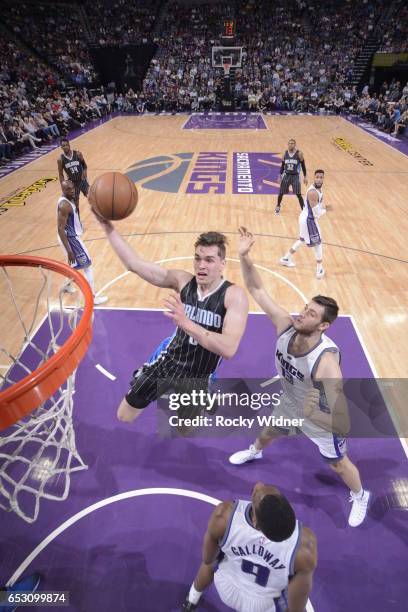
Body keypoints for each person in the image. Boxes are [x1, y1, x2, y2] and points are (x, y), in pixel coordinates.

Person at [228, 228, 370, 528]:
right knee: (270, 430)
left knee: (338, 465)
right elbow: (258, 290)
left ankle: (360, 495)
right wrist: (244, 256)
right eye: (306, 308)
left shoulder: (326, 362)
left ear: (325, 326)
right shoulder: (285, 325)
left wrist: (311, 412)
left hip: (321, 418)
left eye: (311, 314)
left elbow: (340, 411)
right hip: (293, 400)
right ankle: (254, 451)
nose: (302, 314)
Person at [93, 217, 249, 424]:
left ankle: (207, 391)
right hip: (169, 362)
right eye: (197, 258)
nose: (201, 265)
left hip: (200, 374)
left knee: (187, 425)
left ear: (222, 264)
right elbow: (134, 264)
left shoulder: (234, 296)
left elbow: (229, 349)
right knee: (124, 415)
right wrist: (108, 227)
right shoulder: (183, 281)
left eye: (209, 260)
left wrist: (187, 324)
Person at [181, 482, 317, 611]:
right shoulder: (305, 547)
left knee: (215, 557)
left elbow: (207, 559)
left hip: (227, 589)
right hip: (266, 606)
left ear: (255, 522)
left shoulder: (223, 516)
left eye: (258, 495)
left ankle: (191, 600)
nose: (259, 486)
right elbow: (296, 607)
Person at [57, 180, 107, 304]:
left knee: (74, 265)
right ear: (63, 190)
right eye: (68, 189)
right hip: (71, 239)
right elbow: (60, 229)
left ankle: (67, 286)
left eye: (72, 188)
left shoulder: (69, 199)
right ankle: (92, 298)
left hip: (71, 236)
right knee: (87, 266)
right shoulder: (65, 205)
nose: (72, 190)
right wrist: (69, 250)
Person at [279, 169, 328, 279]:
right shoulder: (313, 193)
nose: (319, 179)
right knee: (318, 243)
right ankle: (319, 269)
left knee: (302, 239)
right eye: (317, 177)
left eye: (321, 177)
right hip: (309, 220)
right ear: (314, 178)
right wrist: (326, 209)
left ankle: (286, 259)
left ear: (323, 178)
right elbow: (317, 213)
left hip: (305, 218)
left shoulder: (319, 190)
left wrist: (322, 209)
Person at [275, 139, 307, 214]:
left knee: (298, 194)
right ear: (288, 144)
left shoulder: (299, 154)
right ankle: (278, 206)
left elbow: (303, 165)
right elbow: (282, 166)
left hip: (295, 176)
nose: (291, 144)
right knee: (281, 192)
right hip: (286, 175)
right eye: (289, 143)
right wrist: (279, 175)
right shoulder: (284, 154)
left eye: (292, 143)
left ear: (295, 145)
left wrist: (305, 176)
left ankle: (304, 211)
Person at [57, 138, 89, 210]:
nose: (65, 147)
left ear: (69, 145)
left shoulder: (77, 154)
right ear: (61, 147)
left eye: (66, 145)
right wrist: (63, 185)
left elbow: (84, 165)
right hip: (73, 185)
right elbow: (61, 174)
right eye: (63, 146)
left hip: (82, 181)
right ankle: (78, 221)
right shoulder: (60, 159)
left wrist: (84, 172)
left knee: (92, 198)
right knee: (76, 207)